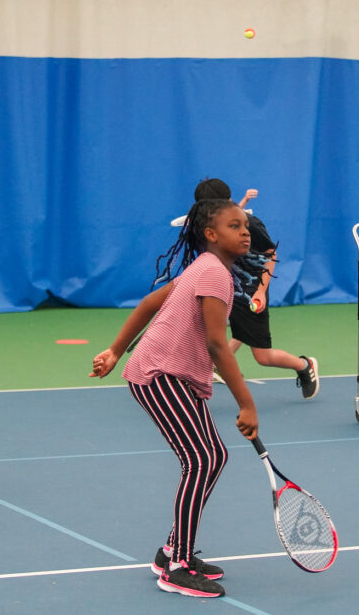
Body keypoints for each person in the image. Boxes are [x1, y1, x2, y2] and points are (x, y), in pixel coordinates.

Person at [91, 198, 259, 599]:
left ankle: (171, 551)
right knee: (201, 459)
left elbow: (151, 303)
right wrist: (247, 404)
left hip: (168, 373)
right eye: (234, 226)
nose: (245, 231)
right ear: (211, 234)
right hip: (160, 375)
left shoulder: (205, 268)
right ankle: (178, 566)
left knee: (211, 457)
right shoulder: (212, 273)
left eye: (246, 225)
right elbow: (218, 345)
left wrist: (116, 351)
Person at [192, 178, 319, 398]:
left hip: (250, 290)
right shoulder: (207, 225)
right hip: (223, 286)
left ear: (226, 201)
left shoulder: (249, 224)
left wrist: (260, 291)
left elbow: (271, 254)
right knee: (209, 334)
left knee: (263, 357)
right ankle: (202, 374)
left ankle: (304, 365)